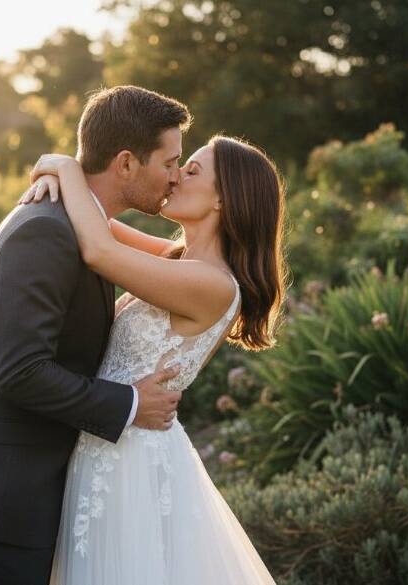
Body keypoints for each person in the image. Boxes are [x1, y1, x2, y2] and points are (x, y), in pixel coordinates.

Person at [0, 85, 193, 584]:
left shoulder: (87, 227)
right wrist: (130, 403)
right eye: (170, 162)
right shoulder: (46, 231)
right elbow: (21, 372)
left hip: (25, 484)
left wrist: (63, 165)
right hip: (1, 491)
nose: (176, 176)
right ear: (126, 164)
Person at [19, 127, 288, 583]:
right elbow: (98, 219)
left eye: (192, 169)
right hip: (110, 442)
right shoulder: (179, 260)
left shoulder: (213, 286)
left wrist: (65, 166)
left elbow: (99, 249)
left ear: (224, 199)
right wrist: (57, 179)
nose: (175, 176)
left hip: (130, 465)